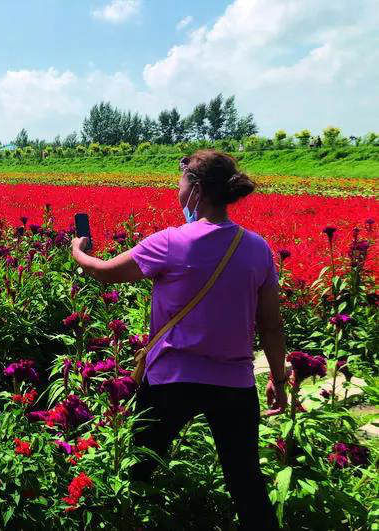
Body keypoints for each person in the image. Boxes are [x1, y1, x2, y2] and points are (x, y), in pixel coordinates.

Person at [70, 150, 287, 530]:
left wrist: (78, 252)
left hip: (172, 380)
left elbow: (104, 273)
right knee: (247, 484)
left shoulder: (170, 242)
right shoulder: (257, 248)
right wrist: (279, 381)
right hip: (234, 385)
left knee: (138, 470)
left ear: (197, 190)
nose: (178, 189)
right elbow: (271, 325)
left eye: (181, 182)